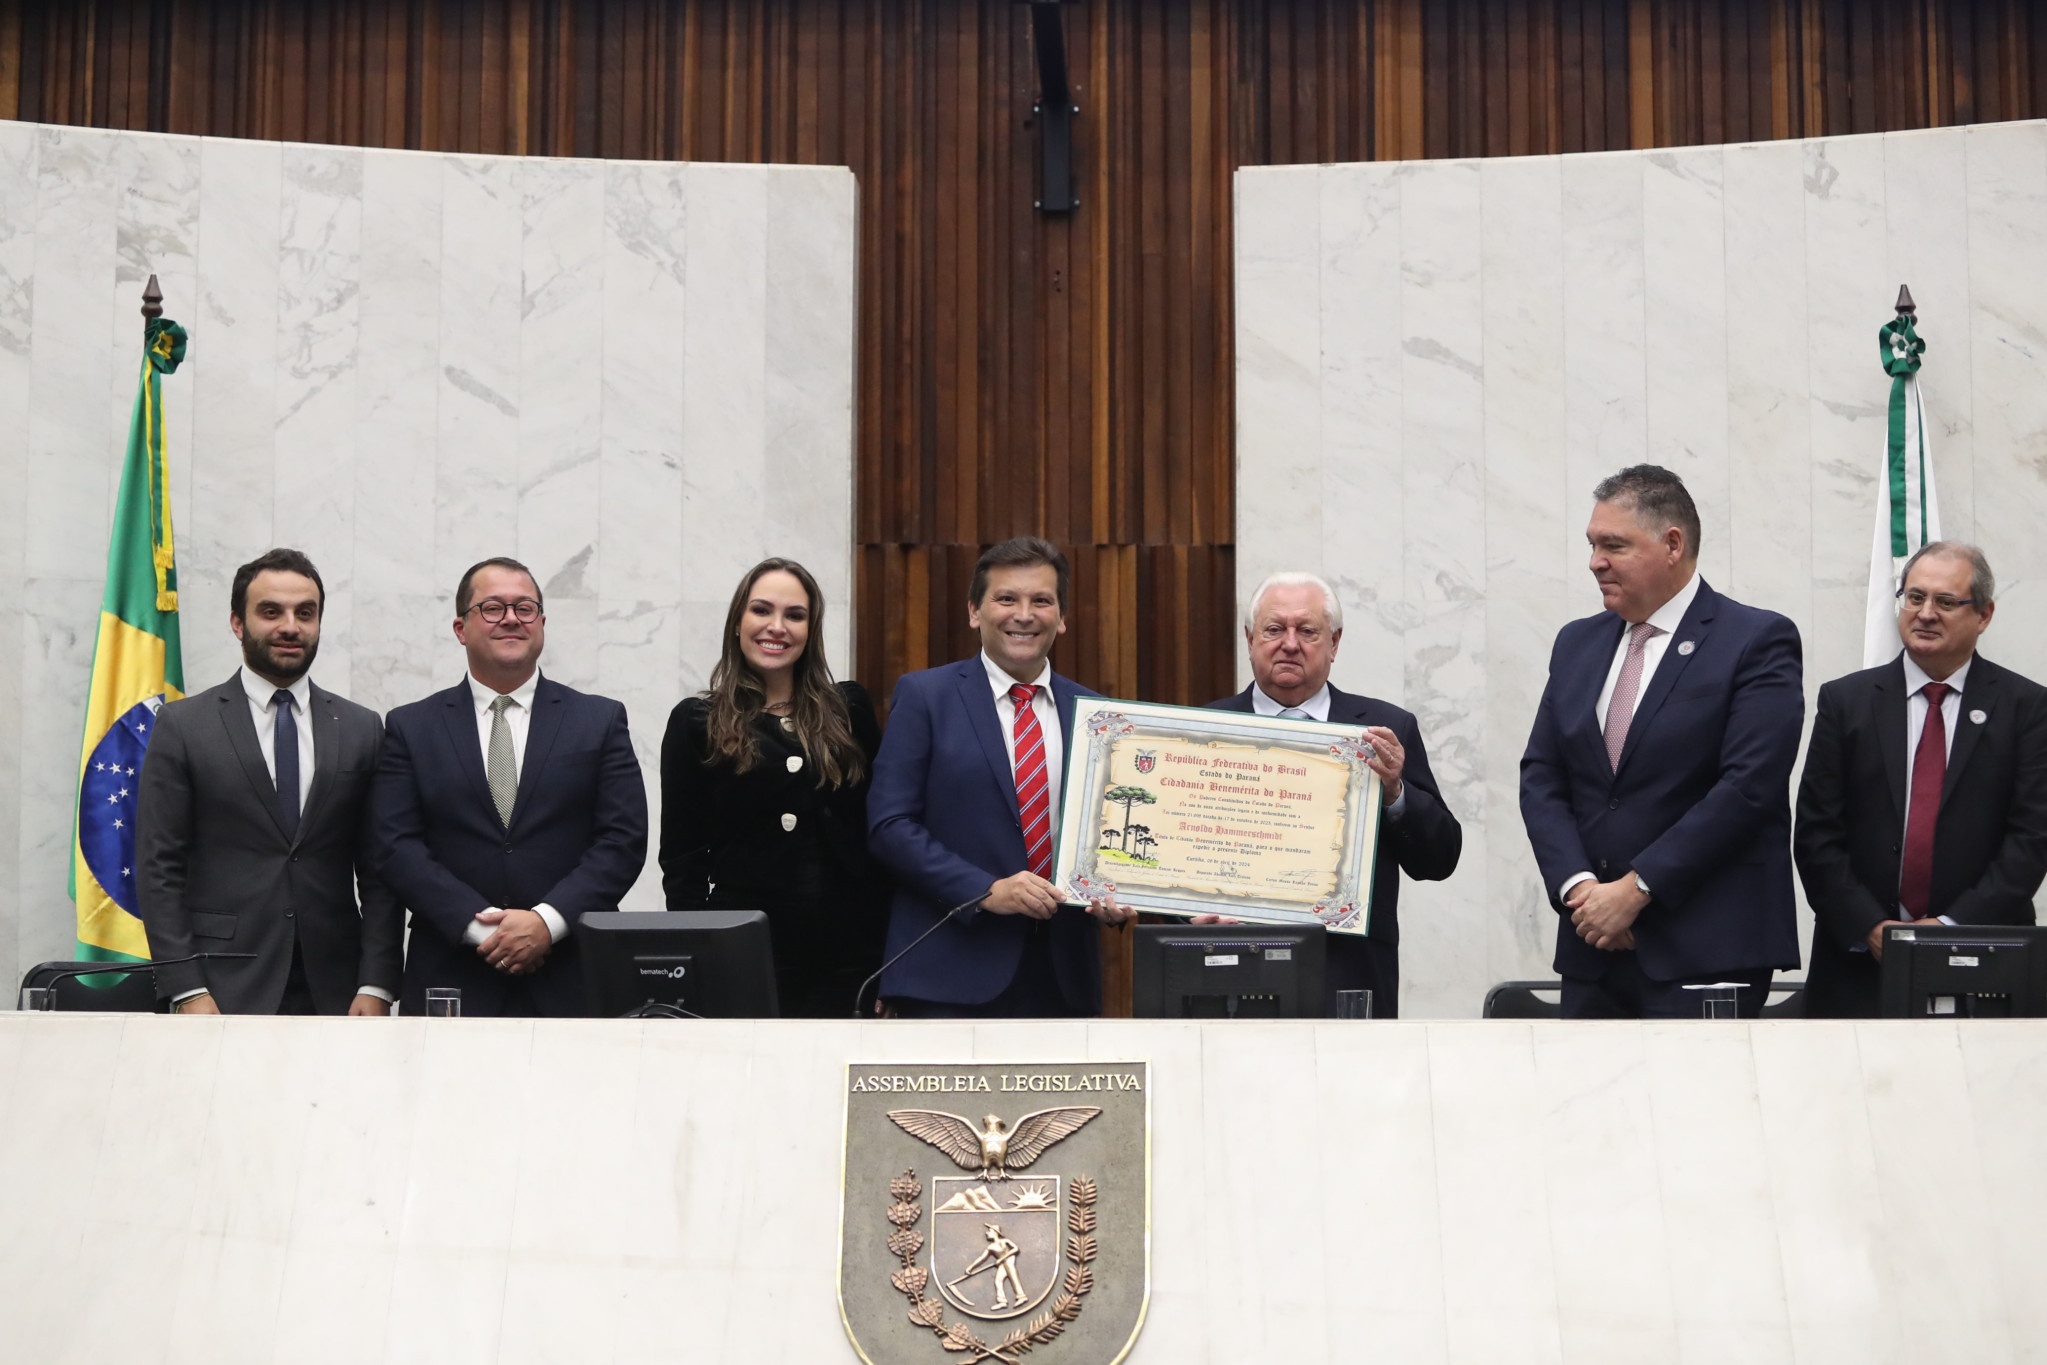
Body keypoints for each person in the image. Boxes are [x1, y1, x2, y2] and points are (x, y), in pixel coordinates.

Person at [1519, 465, 1804, 1018]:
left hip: (1706, 951)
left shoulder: (1756, 640)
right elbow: (1542, 776)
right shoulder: (1576, 643)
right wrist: (1583, 893)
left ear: (1672, 544)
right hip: (1593, 948)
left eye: (1614, 545)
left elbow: (1748, 787)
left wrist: (1635, 892)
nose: (1595, 561)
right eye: (1592, 544)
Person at [867, 536, 1134, 1017]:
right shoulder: (926, 697)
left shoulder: (1100, 718)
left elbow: (1110, 837)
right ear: (975, 611)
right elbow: (890, 828)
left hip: (1062, 979)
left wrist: (1117, 889)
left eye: (1042, 601)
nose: (1024, 614)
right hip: (947, 973)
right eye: (1006, 598)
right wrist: (985, 890)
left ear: (1063, 616)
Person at [370, 556, 647, 1017]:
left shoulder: (598, 720)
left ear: (541, 623)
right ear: (461, 628)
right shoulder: (411, 727)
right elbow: (395, 847)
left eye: (525, 607)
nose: (511, 619)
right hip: (452, 972)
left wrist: (545, 923)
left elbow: (622, 840)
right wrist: (484, 931)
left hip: (572, 973)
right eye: (493, 608)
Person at [135, 549, 400, 1015]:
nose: (290, 626)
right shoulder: (184, 726)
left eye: (305, 612)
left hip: (336, 988)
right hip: (219, 985)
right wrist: (186, 988)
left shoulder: (361, 727)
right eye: (270, 611)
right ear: (238, 623)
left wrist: (376, 983)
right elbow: (159, 868)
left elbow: (380, 872)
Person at [1795, 542, 2047, 1017]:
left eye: (1946, 602)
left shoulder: (2027, 708)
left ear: (1984, 614)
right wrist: (1871, 927)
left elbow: (2031, 840)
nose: (1925, 613)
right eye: (1914, 597)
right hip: (1857, 967)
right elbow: (1816, 834)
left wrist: (1951, 927)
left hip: (1985, 961)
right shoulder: (1845, 702)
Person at [1204, 572, 1462, 1017]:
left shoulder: (1385, 731)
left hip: (1348, 979)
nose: (1289, 643)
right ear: (1249, 639)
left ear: (1334, 643)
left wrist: (1395, 793)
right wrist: (1187, 914)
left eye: (1307, 631)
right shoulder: (1201, 731)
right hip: (1230, 978)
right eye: (1273, 629)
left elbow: (1439, 860)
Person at [659, 558, 887, 1016]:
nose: (777, 627)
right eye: (762, 610)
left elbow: (878, 835)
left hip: (848, 954)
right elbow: (682, 860)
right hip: (741, 948)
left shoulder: (849, 711)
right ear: (738, 622)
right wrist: (696, 954)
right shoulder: (696, 721)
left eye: (795, 615)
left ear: (811, 629)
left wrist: (891, 959)